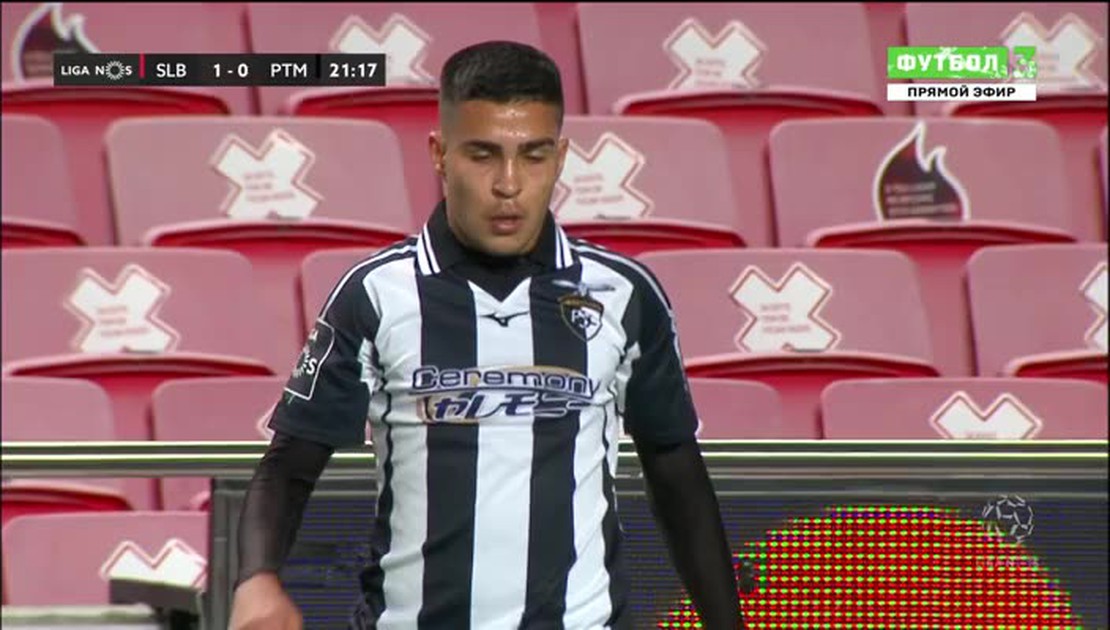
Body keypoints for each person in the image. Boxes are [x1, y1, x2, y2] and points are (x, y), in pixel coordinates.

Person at [229, 40, 744, 630]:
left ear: (561, 157)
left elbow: (675, 467)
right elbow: (290, 464)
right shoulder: (375, 295)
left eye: (533, 156)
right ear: (440, 154)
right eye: (483, 155)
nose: (508, 184)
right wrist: (258, 578)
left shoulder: (624, 295)